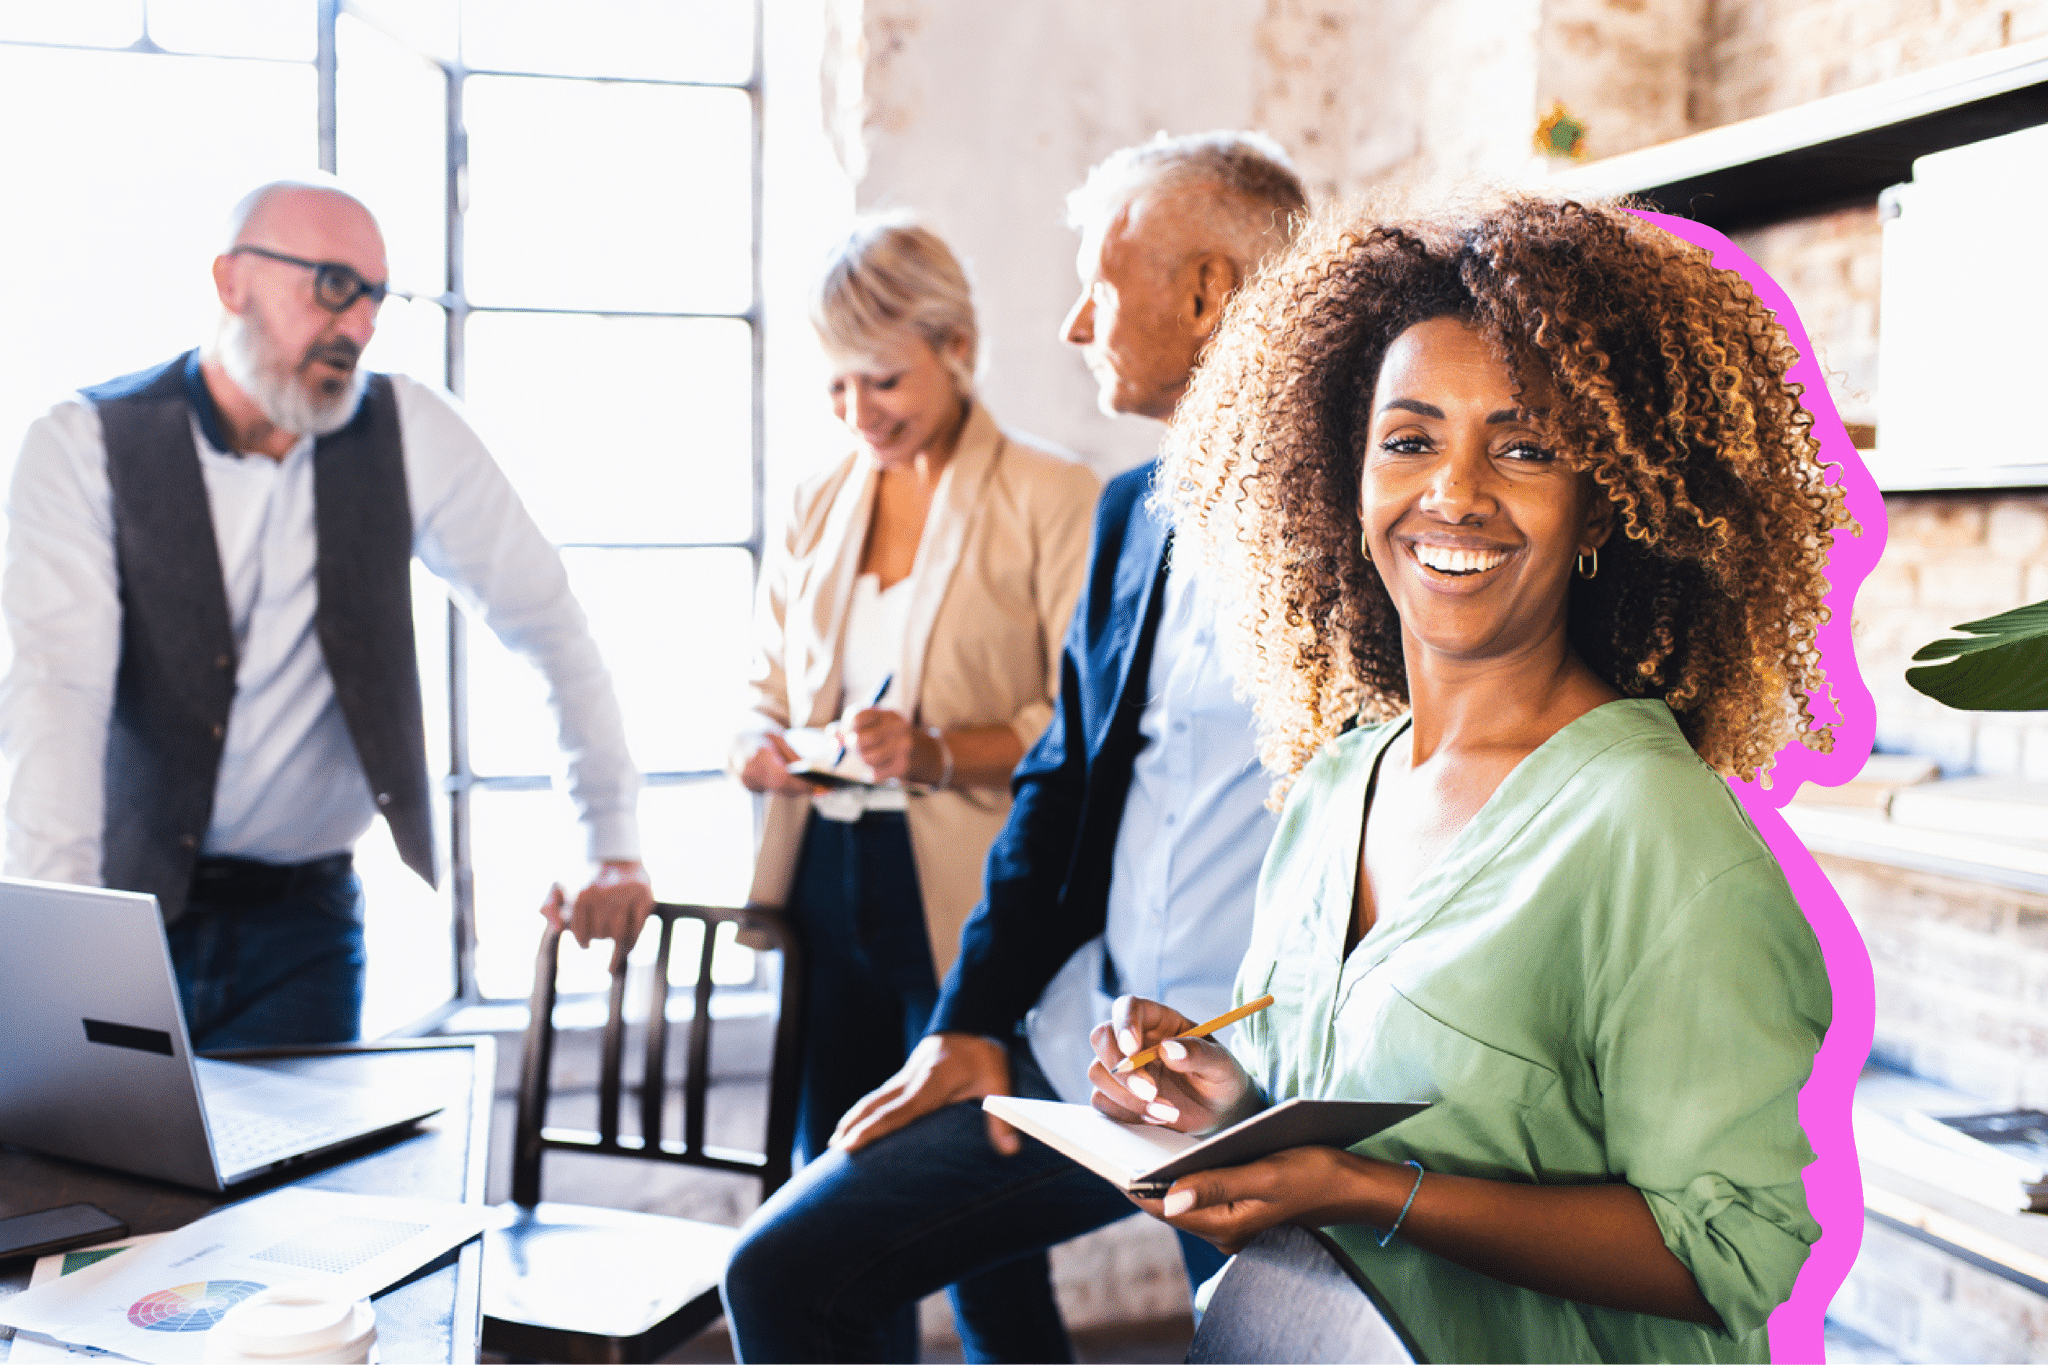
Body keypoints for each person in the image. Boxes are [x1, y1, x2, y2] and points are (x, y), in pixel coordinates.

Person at [1094, 190, 1852, 1363]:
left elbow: (1730, 1251)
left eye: (1522, 446)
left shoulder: (1655, 835)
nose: (1452, 491)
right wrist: (1216, 1113)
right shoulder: (1336, 785)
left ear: (1602, 499)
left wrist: (1359, 1190)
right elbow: (1328, 1102)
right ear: (1343, 480)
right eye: (1408, 440)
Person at [721, 132, 1307, 1364]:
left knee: (1267, 1342)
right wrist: (972, 1020)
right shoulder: (1129, 516)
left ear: (1206, 294)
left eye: (1100, 285)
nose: (1073, 325)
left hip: (1261, 1090)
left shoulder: (1367, 527)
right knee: (781, 1271)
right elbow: (1061, 788)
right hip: (1069, 1054)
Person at [0, 177, 653, 1050]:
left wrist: (609, 837)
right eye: (333, 287)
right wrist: (66, 958)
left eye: (376, 297)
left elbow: (550, 626)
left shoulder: (412, 428)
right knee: (97, 1182)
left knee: (291, 1190)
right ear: (232, 282)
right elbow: (55, 696)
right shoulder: (78, 443)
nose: (360, 325)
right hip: (123, 917)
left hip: (305, 929)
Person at [729, 216, 1099, 1171]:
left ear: (959, 349)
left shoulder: (1054, 495)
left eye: (885, 379)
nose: (859, 411)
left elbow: (1081, 724)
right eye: (838, 385)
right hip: (817, 872)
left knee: (965, 1193)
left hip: (963, 884)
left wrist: (933, 751)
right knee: (829, 1174)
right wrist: (756, 745)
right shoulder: (815, 500)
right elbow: (762, 687)